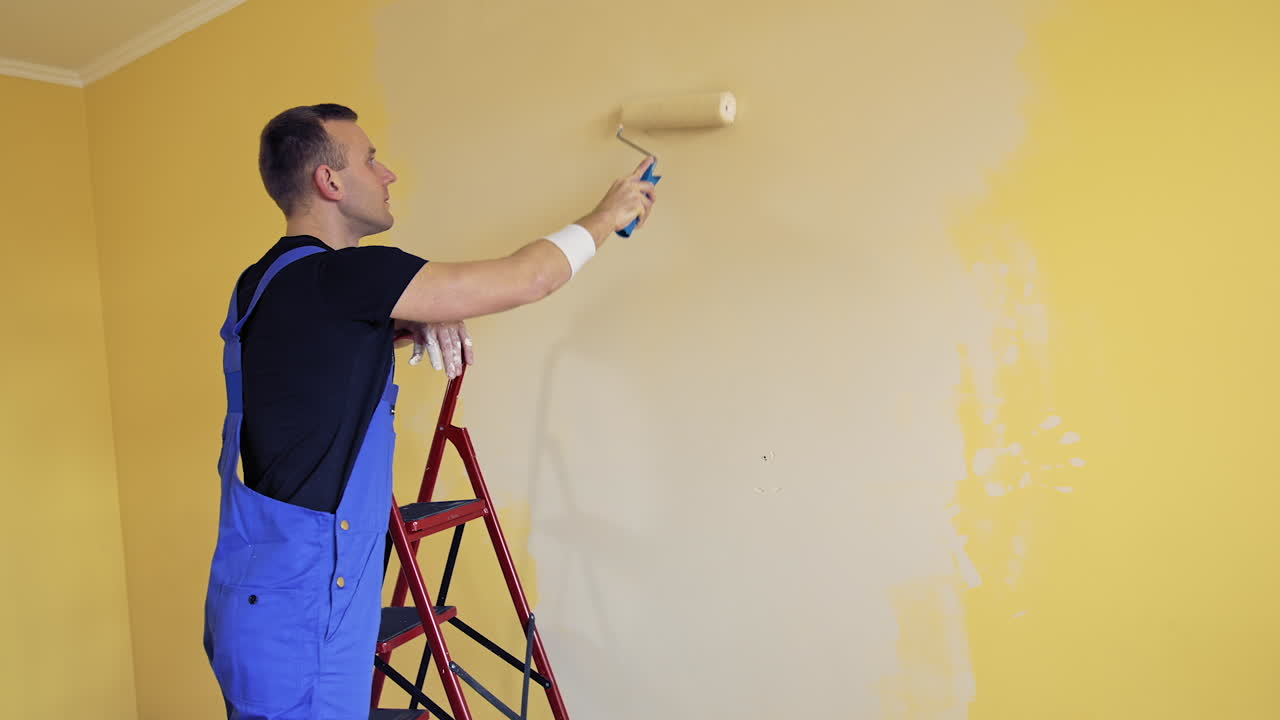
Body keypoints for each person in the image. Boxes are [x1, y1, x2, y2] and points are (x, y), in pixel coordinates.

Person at [203, 103, 655, 719]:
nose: (386, 173)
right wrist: (609, 215)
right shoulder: (347, 276)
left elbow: (314, 366)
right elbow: (529, 279)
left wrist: (404, 320)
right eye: (369, 159)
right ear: (329, 183)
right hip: (306, 613)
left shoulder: (264, 283)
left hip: (259, 601)